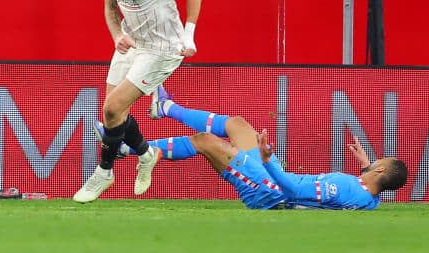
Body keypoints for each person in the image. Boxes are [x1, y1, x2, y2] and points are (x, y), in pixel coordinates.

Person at [73, 0, 203, 204]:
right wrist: (116, 34)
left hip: (162, 48)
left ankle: (104, 172)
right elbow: (109, 6)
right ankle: (146, 154)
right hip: (132, 41)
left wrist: (189, 35)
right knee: (113, 112)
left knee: (113, 107)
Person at [103, 86, 409, 210]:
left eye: (378, 160)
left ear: (381, 168)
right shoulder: (370, 200)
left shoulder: (346, 186)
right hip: (271, 180)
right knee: (238, 124)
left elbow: (293, 190)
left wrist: (266, 160)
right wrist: (366, 166)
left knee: (205, 141)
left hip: (269, 190)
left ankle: (124, 149)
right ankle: (166, 107)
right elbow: (367, 190)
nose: (375, 160)